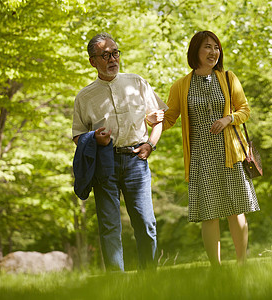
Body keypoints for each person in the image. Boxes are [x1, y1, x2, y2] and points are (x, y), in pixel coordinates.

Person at [72, 32, 168, 271]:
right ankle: (116, 283)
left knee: (146, 223)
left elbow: (158, 119)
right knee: (109, 225)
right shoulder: (84, 97)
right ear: (93, 61)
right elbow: (77, 135)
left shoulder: (137, 82)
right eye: (105, 55)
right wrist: (95, 139)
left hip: (137, 159)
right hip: (104, 164)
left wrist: (150, 145)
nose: (112, 59)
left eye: (115, 53)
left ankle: (150, 279)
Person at [163, 31, 260, 266]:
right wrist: (149, 121)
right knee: (210, 214)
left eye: (216, 48)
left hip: (231, 153)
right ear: (195, 50)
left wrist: (228, 119)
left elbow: (245, 110)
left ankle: (242, 263)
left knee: (236, 208)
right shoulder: (181, 86)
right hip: (201, 155)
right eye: (208, 47)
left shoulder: (228, 78)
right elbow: (169, 118)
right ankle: (216, 269)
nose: (214, 52)